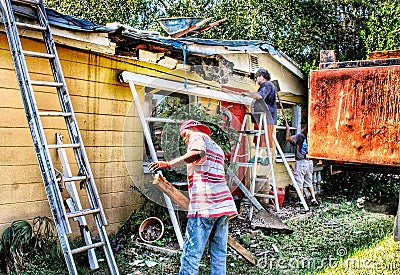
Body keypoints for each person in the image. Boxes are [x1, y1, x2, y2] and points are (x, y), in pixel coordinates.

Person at [148, 119, 237, 275]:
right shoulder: (216, 146)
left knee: (192, 254)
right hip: (223, 204)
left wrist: (168, 164)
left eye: (185, 134)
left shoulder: (197, 136)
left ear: (194, 128)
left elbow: (197, 154)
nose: (185, 139)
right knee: (219, 252)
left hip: (205, 204)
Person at [242, 68, 277, 149]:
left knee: (265, 138)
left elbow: (259, 96)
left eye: (257, 77)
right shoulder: (264, 86)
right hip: (261, 117)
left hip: (266, 117)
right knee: (260, 138)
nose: (256, 79)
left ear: (262, 76)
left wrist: (247, 94)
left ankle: (265, 157)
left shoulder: (267, 85)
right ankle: (260, 157)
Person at [286, 121, 319, 206]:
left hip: (301, 163)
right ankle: (314, 199)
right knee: (309, 181)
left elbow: (288, 138)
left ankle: (302, 201)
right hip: (309, 162)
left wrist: (288, 130)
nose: (302, 127)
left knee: (299, 182)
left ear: (305, 127)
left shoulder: (300, 136)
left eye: (303, 125)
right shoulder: (311, 137)